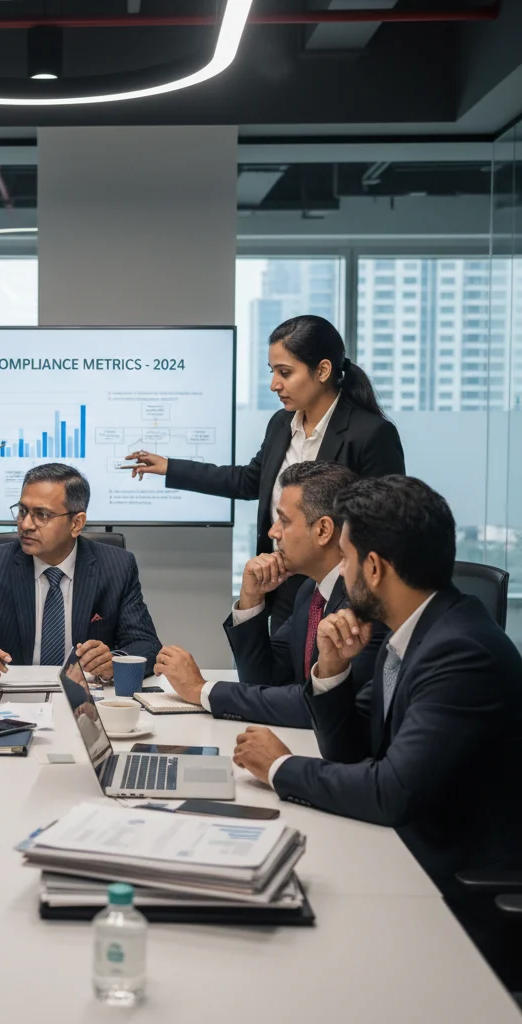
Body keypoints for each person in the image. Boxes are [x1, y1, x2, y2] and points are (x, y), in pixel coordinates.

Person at [231, 476, 522, 905]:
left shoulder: (461, 652)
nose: (341, 572)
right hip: (402, 847)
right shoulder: (414, 631)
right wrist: (331, 670)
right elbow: (349, 751)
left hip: (453, 879)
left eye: (345, 560)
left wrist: (281, 768)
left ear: (374, 568)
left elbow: (390, 791)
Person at [124, 315, 405, 627]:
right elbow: (248, 481)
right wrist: (170, 468)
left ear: (323, 370)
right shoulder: (281, 424)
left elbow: (383, 527)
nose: (275, 385)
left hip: (341, 595)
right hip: (283, 585)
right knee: (275, 673)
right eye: (273, 372)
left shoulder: (369, 434)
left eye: (285, 372)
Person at [155, 461, 385, 727]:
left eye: (284, 521)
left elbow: (317, 705)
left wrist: (202, 690)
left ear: (323, 530)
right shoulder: (311, 592)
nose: (272, 532)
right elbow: (262, 680)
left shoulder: (365, 605)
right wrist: (251, 600)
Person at [0, 463, 161, 682]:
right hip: (13, 700)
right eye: (22, 511)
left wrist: (115, 661)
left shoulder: (117, 566)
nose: (26, 525)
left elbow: (146, 644)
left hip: (88, 701)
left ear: (76, 523)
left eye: (42, 515)